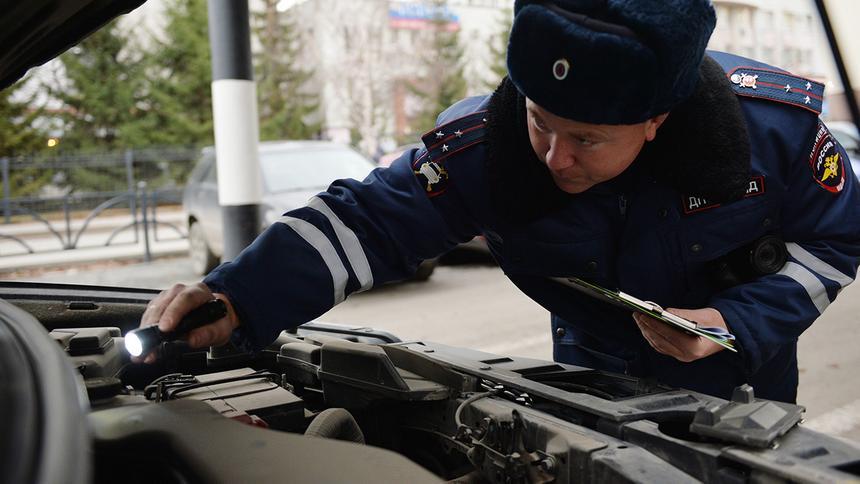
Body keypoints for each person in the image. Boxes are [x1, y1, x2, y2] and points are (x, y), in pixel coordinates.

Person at [138, 0, 860, 403]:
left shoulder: (775, 134)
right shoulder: (485, 147)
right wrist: (235, 299)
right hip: (591, 381)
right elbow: (364, 224)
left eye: (586, 138)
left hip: (745, 385)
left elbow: (837, 243)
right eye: (540, 121)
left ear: (656, 120)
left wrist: (734, 322)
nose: (553, 157)